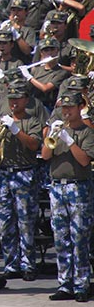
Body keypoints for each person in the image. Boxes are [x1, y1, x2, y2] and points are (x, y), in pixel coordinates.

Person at [41, 92, 94, 302]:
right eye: (64, 107)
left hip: (77, 186)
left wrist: (70, 141)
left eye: (70, 107)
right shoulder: (58, 128)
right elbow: (45, 155)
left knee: (79, 237)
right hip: (57, 187)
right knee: (61, 238)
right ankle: (65, 284)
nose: (66, 111)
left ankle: (82, 284)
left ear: (80, 108)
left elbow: (83, 161)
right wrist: (52, 136)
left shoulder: (87, 133)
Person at [0, 83, 42, 282]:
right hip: (3, 174)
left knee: (26, 222)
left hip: (24, 173)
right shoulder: (1, 121)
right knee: (6, 224)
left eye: (18, 99)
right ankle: (11, 264)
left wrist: (15, 130)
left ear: (26, 100)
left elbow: (34, 145)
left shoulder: (32, 121)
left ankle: (28, 264)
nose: (14, 102)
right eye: (11, 99)